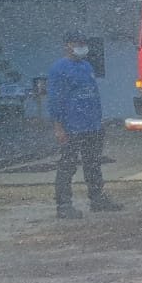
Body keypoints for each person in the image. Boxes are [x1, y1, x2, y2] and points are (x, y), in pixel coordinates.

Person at [48, 31, 121, 219]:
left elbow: (93, 95)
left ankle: (97, 199)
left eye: (83, 43)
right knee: (67, 165)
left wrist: (99, 121)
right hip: (72, 126)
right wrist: (58, 127)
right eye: (77, 43)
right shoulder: (59, 69)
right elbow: (55, 100)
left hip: (92, 125)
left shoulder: (87, 66)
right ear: (68, 45)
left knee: (93, 164)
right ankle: (63, 205)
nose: (81, 46)